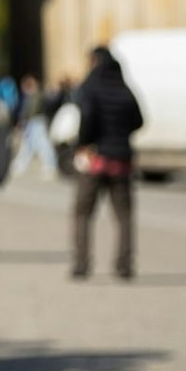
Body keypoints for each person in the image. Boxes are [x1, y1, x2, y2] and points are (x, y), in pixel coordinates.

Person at [70, 45, 145, 280]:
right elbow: (139, 121)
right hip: (121, 158)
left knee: (83, 212)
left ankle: (82, 264)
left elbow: (87, 117)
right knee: (124, 215)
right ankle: (124, 265)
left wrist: (84, 142)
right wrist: (120, 134)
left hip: (96, 158)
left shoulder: (90, 87)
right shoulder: (125, 89)